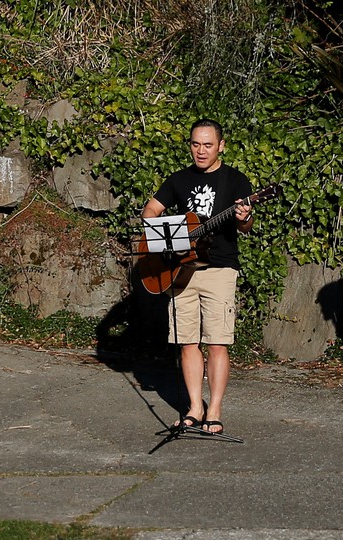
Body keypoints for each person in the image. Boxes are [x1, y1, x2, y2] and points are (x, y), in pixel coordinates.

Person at [141, 119, 254, 434]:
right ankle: (194, 407)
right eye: (195, 144)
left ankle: (214, 408)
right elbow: (150, 212)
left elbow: (246, 226)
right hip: (181, 271)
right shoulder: (178, 179)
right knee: (187, 341)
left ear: (221, 145)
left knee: (217, 342)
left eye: (207, 144)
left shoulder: (235, 180)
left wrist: (244, 217)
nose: (201, 150)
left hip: (220, 268)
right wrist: (169, 244)